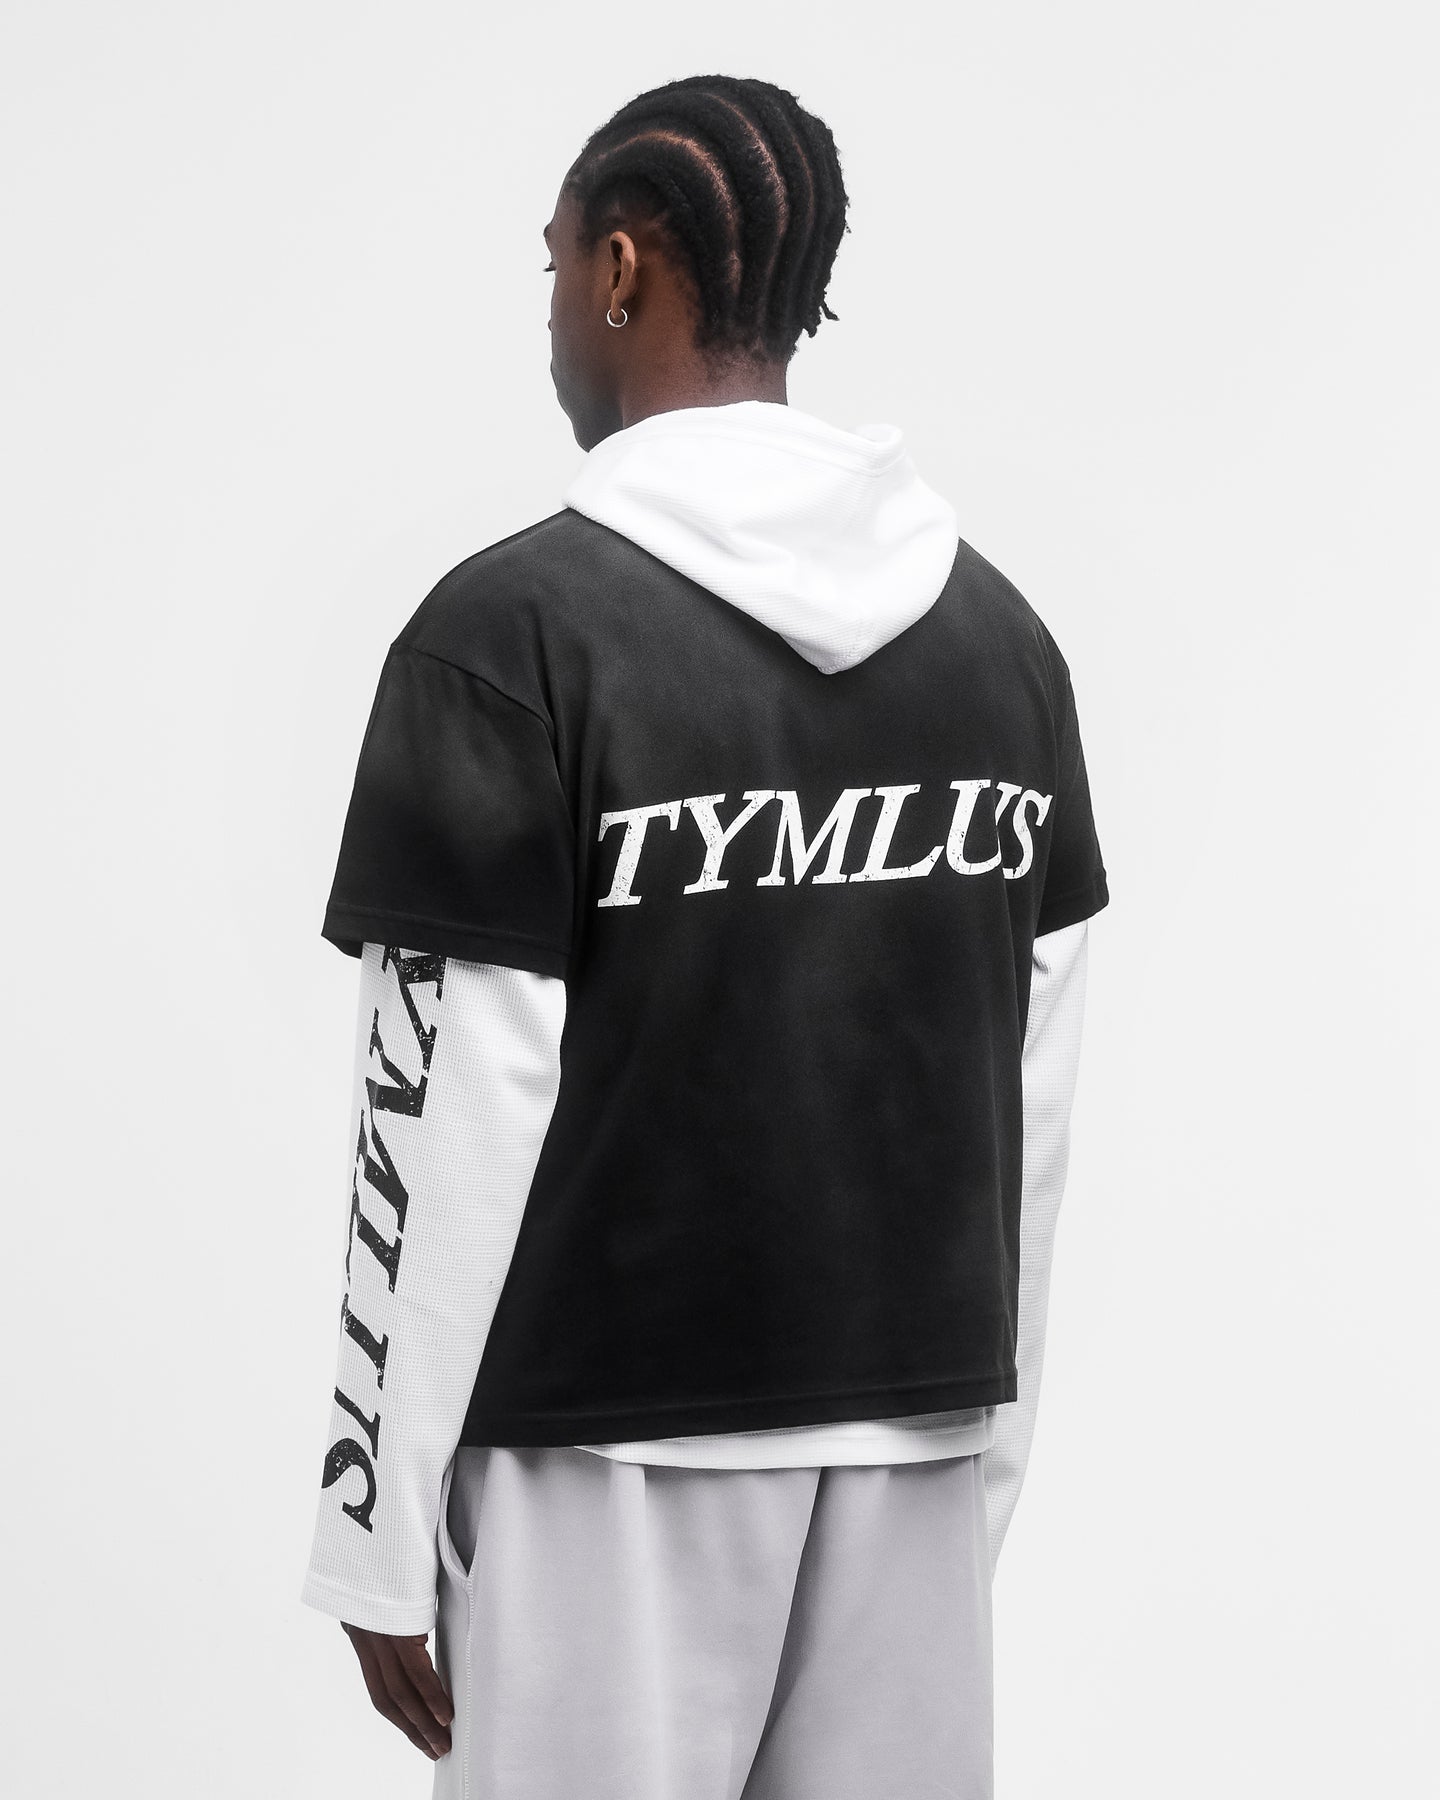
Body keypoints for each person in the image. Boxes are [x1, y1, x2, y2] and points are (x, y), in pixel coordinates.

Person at [300, 73, 1108, 1800]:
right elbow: (1031, 1102)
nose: (550, 314)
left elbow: (441, 1104)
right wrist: (986, 1455)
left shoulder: (510, 636)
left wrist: (372, 1521)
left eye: (551, 267)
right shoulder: (1002, 646)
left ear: (619, 270)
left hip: (599, 1457)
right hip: (913, 1430)